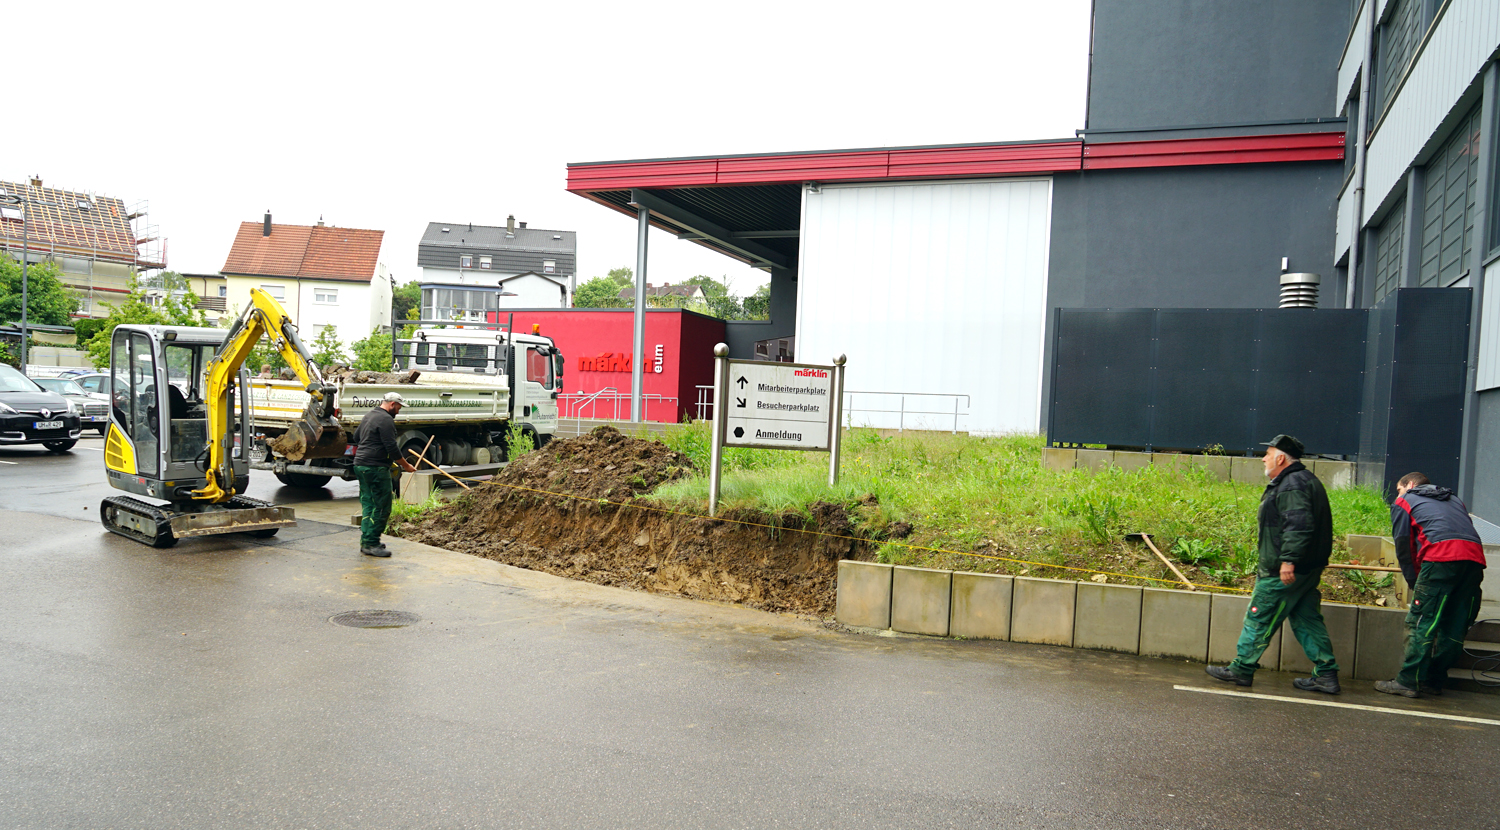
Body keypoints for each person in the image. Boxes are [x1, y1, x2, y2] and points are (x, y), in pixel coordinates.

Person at [1206, 434, 1339, 692]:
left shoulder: (1292, 484)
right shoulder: (1303, 480)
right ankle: (1326, 674)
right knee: (1307, 620)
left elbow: (1298, 525)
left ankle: (1241, 669)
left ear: (1280, 458)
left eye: (1267, 454)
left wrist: (1288, 561)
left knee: (1259, 616)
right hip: (1307, 569)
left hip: (1286, 571)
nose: (1263, 459)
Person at [1375, 473, 1487, 698]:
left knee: (1421, 622)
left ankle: (1408, 681)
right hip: (1474, 561)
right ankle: (1434, 681)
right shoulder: (1455, 500)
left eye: (1399, 488)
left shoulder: (1405, 500)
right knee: (1455, 625)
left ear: (1411, 485)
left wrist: (1416, 583)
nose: (1397, 494)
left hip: (1441, 559)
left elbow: (1404, 547)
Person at [353, 391, 417, 557]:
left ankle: (367, 541)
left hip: (360, 465)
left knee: (368, 504)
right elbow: (392, 447)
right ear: (391, 404)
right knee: (382, 505)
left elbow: (356, 437)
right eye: (398, 407)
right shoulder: (386, 419)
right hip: (375, 468)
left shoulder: (369, 415)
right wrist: (406, 465)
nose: (399, 410)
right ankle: (371, 543)